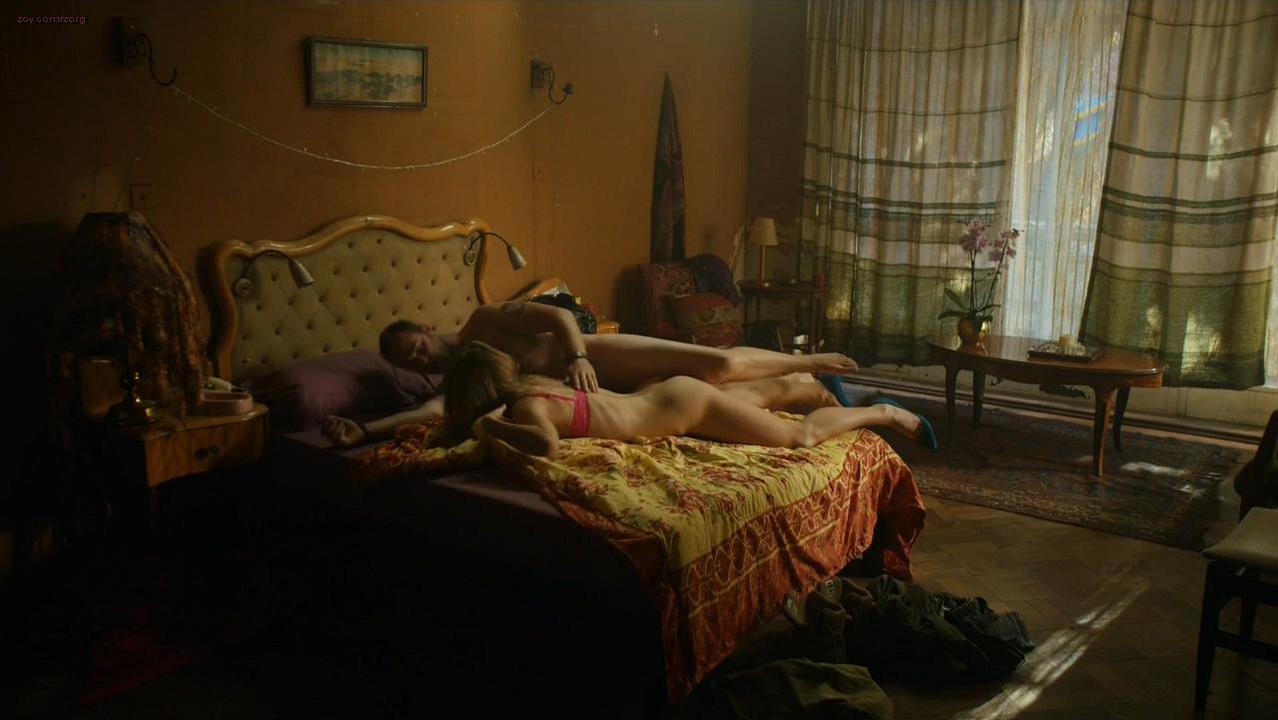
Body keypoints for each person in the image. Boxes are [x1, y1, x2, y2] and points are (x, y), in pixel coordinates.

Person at [322, 299, 869, 446]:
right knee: (695, 397)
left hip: (591, 359)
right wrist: (366, 430)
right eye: (409, 363)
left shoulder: (484, 321)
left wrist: (578, 357)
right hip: (590, 396)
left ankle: (809, 361)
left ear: (423, 329)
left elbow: (559, 317)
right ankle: (797, 390)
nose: (420, 360)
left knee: (718, 365)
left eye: (416, 348)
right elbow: (435, 411)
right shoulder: (464, 379)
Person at [444, 341, 936, 456]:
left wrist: (487, 426)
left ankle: (885, 413)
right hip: (660, 396)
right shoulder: (535, 385)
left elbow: (545, 445)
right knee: (751, 398)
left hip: (677, 405)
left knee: (799, 438)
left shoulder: (524, 409)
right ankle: (810, 385)